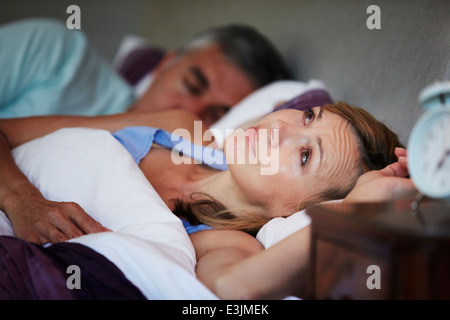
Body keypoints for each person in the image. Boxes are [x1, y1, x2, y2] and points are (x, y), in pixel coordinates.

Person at [0, 100, 417, 299]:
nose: (283, 130)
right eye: (309, 116)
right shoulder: (177, 127)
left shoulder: (227, 242)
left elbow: (233, 290)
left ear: (297, 211)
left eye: (305, 155)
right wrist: (20, 198)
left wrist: (356, 212)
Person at [0, 18, 292, 126]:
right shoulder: (55, 51)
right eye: (191, 85)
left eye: (216, 116)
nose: (191, 112)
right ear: (165, 64)